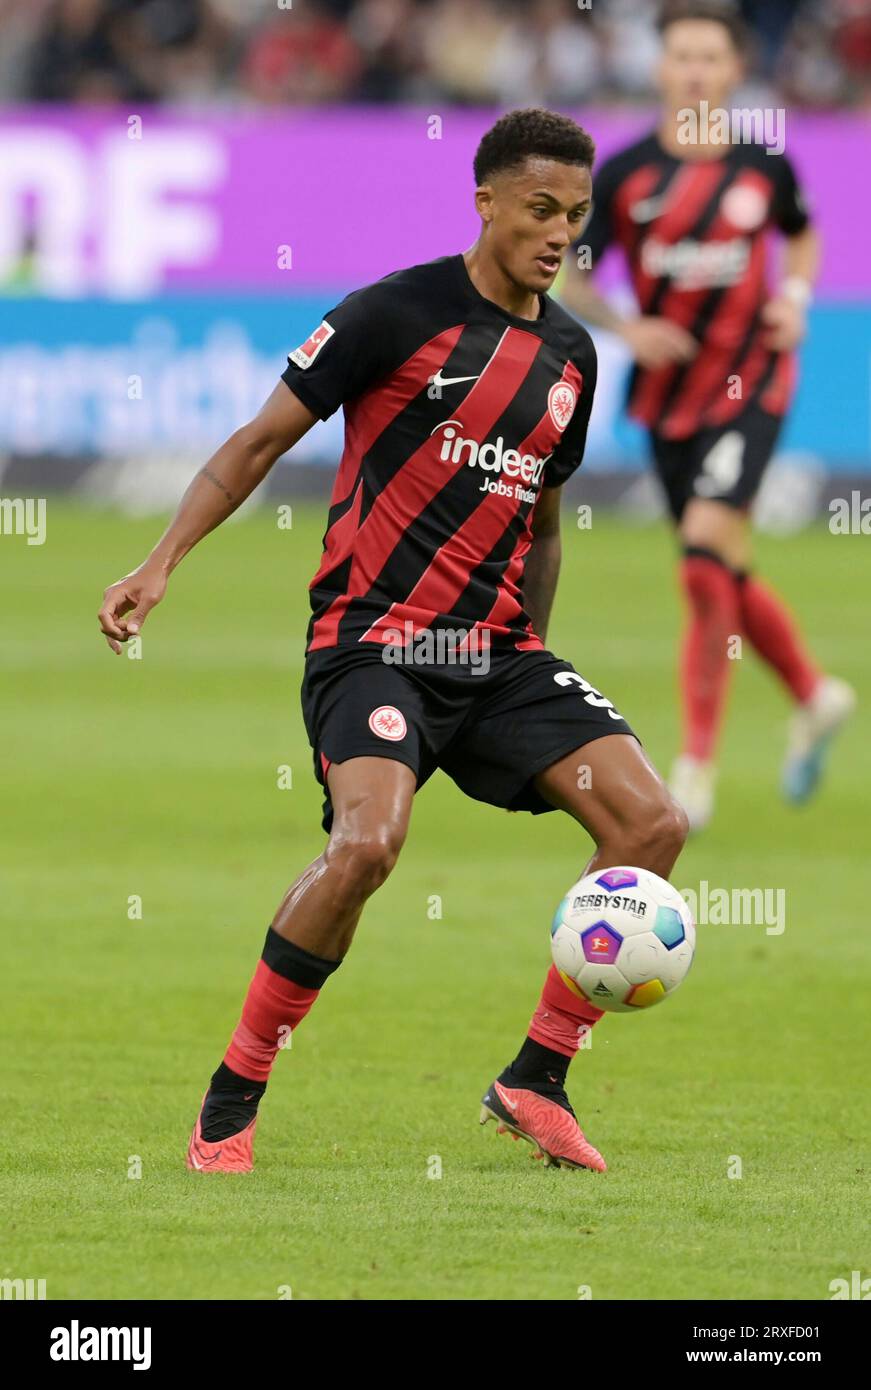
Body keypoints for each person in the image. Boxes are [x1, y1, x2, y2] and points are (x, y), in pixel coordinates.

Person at [98, 108, 688, 1175]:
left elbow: (543, 522)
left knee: (651, 824)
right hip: (372, 643)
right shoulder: (393, 312)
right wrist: (160, 562)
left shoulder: (570, 355)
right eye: (541, 210)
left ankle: (534, 1080)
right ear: (488, 203)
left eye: (578, 214)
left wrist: (533, 665)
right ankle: (231, 1099)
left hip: (495, 654)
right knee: (367, 845)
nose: (561, 233)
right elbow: (255, 443)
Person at [559, 1, 855, 831]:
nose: (693, 71)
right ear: (660, 69)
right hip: (667, 398)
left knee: (699, 557)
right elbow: (571, 274)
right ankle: (812, 691)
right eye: (680, 56)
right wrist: (625, 327)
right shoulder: (621, 177)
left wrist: (794, 300)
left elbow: (801, 238)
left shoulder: (764, 167)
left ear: (731, 72)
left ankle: (693, 766)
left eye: (708, 58)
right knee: (719, 563)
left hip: (753, 381)